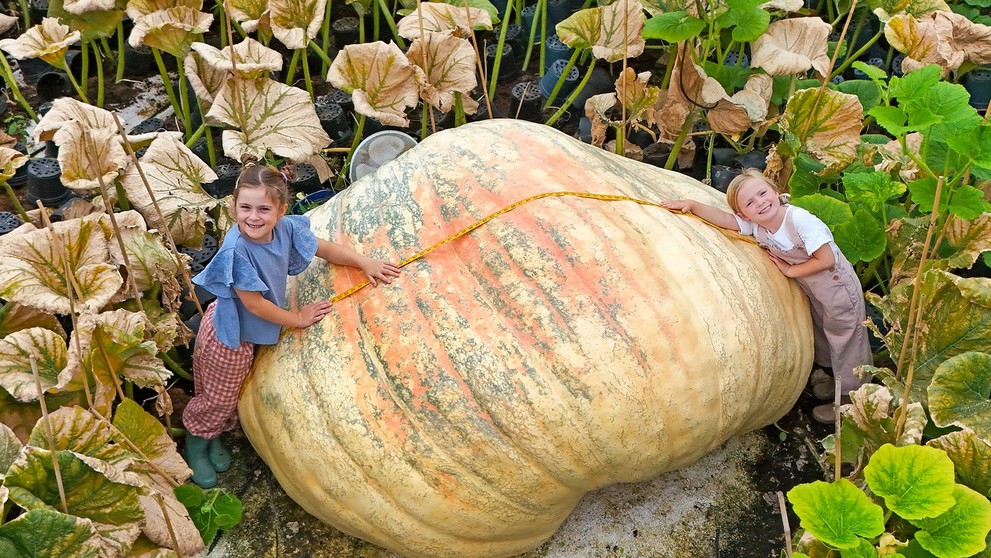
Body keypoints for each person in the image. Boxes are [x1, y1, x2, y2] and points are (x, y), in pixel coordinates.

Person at [182, 163, 401, 488]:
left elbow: (323, 248)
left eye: (263, 209)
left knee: (225, 394)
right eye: (245, 208)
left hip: (252, 328)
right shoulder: (236, 251)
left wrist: (362, 261)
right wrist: (298, 319)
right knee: (218, 398)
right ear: (234, 207)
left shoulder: (285, 229)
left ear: (281, 210)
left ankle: (211, 437)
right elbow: (255, 304)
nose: (253, 217)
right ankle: (196, 447)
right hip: (231, 337)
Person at [661, 168, 872, 424]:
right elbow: (725, 220)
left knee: (847, 341)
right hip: (816, 292)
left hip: (838, 290)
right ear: (743, 214)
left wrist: (790, 270)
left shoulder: (801, 221)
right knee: (824, 333)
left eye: (762, 193)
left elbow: (826, 259)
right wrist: (693, 205)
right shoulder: (758, 227)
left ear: (775, 191)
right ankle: (837, 380)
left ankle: (851, 400)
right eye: (750, 203)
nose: (760, 202)